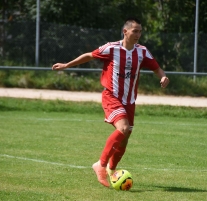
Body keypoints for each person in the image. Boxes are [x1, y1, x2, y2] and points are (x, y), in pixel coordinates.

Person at [52, 18, 170, 188]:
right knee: (122, 128)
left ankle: (111, 169)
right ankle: (100, 165)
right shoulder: (111, 48)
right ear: (125, 32)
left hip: (129, 100)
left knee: (125, 136)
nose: (138, 34)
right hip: (112, 96)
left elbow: (157, 69)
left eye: (140, 31)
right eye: (135, 31)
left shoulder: (142, 51)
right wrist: (67, 65)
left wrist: (163, 77)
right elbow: (89, 55)